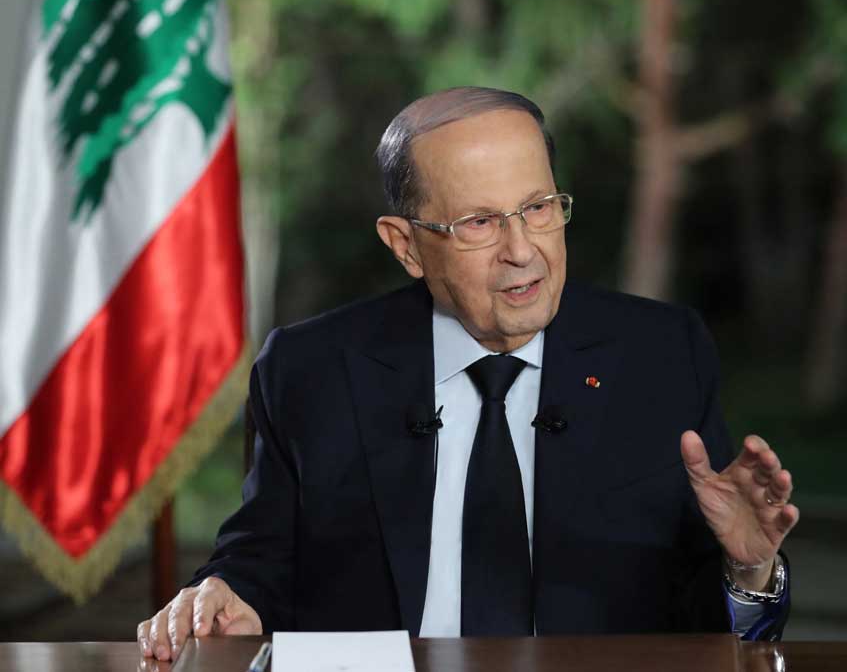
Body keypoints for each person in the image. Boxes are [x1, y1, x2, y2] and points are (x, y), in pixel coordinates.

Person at [138, 87, 800, 662]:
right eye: (479, 222)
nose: (522, 250)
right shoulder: (310, 369)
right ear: (406, 245)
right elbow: (259, 557)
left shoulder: (659, 356)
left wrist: (748, 570)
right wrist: (230, 595)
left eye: (538, 207)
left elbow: (705, 624)